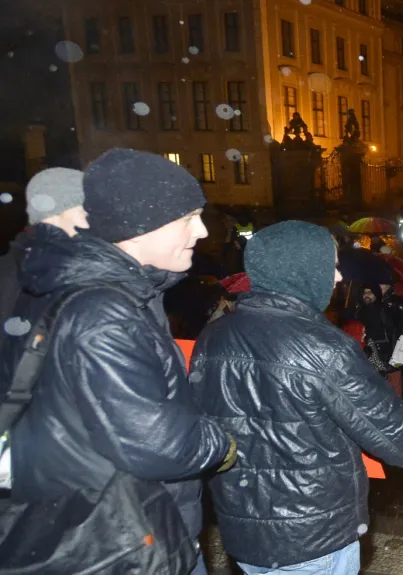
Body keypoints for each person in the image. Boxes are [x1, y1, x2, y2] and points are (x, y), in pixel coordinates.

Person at [0, 149, 234, 574]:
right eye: (188, 218)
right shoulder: (103, 310)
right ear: (138, 226)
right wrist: (221, 441)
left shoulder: (100, 289)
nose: (201, 231)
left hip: (122, 523)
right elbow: (155, 442)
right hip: (121, 540)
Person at [191, 221, 403, 574]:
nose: (338, 278)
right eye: (331, 266)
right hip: (312, 534)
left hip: (245, 531)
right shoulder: (323, 347)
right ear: (302, 271)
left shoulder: (213, 336)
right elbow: (392, 430)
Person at [0, 168, 89, 325]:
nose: (93, 220)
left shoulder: (31, 262)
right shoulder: (19, 274)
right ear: (54, 216)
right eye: (84, 211)